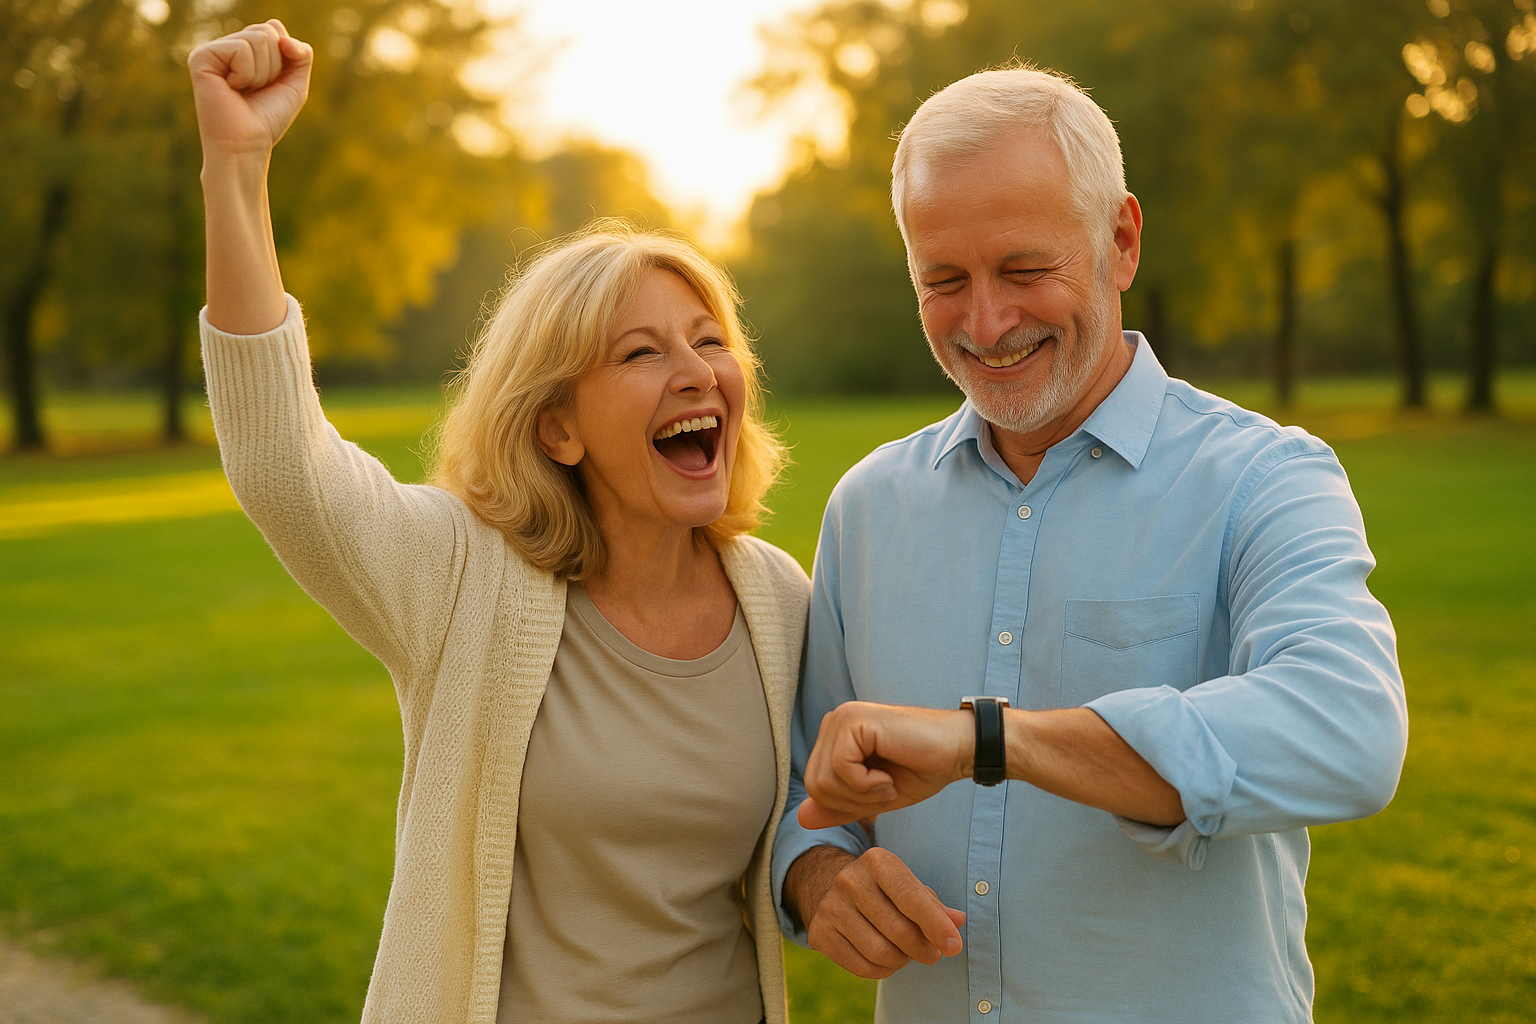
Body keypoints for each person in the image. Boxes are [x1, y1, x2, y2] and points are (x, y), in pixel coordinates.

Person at [189, 21, 808, 1024]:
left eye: (709, 341)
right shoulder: (459, 577)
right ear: (558, 425)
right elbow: (282, 467)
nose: (697, 372)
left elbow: (816, 840)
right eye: (642, 353)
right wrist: (237, 164)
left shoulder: (779, 599)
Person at [771, 66, 1408, 1022]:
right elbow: (799, 793)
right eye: (944, 281)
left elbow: (1349, 729)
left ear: (1120, 241)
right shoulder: (869, 505)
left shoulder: (1263, 477)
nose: (985, 324)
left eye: (1025, 271)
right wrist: (818, 879)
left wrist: (990, 739)